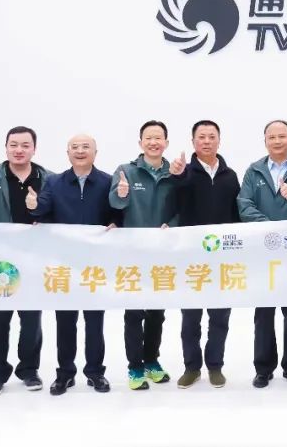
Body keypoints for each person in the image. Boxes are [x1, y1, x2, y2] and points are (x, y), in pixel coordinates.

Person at [28, 134, 115, 395]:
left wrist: (115, 222)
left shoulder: (107, 181)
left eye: (85, 147)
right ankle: (65, 373)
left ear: (96, 152)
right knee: (65, 322)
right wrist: (33, 205)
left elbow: (116, 213)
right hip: (64, 265)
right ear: (67, 153)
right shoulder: (54, 182)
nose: (80, 151)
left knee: (95, 322)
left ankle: (95, 372)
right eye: (74, 147)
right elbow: (42, 209)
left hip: (95, 265)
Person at [0, 126, 51, 397]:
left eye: (25, 145)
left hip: (33, 259)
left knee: (31, 319)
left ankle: (29, 370)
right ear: (6, 147)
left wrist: (41, 213)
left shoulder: (47, 177)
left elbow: (56, 215)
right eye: (13, 144)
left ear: (34, 149)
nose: (19, 150)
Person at [109, 120, 188, 390]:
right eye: (148, 138)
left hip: (163, 254)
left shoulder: (174, 172)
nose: (153, 142)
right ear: (140, 142)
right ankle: (135, 368)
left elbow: (183, 207)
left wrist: (172, 225)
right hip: (132, 253)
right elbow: (114, 203)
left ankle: (152, 361)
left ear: (166, 142)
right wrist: (121, 194)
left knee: (157, 312)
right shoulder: (126, 171)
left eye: (158, 138)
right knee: (134, 313)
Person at [237, 120, 287, 388]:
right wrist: (269, 227)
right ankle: (263, 368)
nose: (277, 141)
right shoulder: (254, 171)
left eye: (282, 136)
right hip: (262, 250)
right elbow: (244, 203)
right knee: (264, 311)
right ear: (265, 141)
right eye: (272, 137)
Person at [174, 120, 240, 389]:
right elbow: (174, 205)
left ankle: (215, 366)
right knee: (190, 317)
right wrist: (178, 178)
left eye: (212, 136)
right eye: (201, 137)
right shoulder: (184, 172)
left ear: (219, 141)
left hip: (222, 258)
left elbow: (237, 216)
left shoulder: (230, 176)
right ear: (193, 142)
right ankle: (192, 367)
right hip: (190, 257)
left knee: (220, 316)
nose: (206, 141)